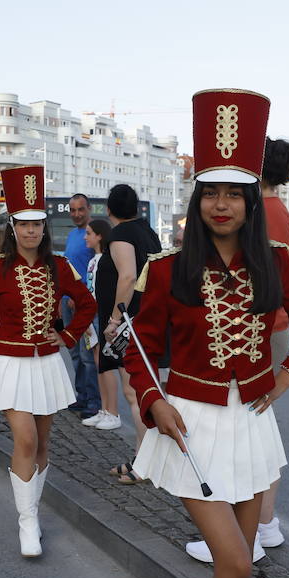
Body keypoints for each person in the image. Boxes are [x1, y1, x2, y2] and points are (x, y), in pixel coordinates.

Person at [123, 89, 289, 578]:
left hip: (251, 426)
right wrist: (152, 397)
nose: (221, 204)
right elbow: (136, 344)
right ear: (198, 198)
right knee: (237, 562)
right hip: (191, 424)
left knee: (237, 573)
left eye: (233, 194)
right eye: (210, 192)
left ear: (250, 202)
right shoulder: (163, 270)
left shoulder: (276, 262)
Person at [0, 165, 95, 557]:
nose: (31, 232)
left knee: (43, 442)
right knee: (25, 439)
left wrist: (67, 335)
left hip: (46, 364)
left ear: (44, 227)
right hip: (10, 363)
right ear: (13, 227)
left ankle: (33, 511)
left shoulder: (60, 266)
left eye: (37, 224)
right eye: (23, 225)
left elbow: (88, 304)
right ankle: (26, 522)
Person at [186, 136, 289, 564]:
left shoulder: (263, 213)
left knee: (244, 430)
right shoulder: (278, 209)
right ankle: (263, 525)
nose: (223, 202)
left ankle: (247, 534)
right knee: (255, 429)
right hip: (269, 326)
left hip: (256, 328)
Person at [98, 185, 163, 480]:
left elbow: (128, 277)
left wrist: (113, 320)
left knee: (136, 394)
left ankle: (146, 463)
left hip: (129, 323)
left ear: (109, 210)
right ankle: (142, 458)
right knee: (142, 391)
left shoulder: (121, 234)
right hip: (149, 317)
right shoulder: (148, 232)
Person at [79, 218, 120, 430]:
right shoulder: (93, 260)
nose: (85, 237)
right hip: (92, 315)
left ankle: (113, 412)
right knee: (98, 365)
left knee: (105, 364)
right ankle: (104, 410)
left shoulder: (106, 259)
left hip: (100, 315)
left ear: (99, 236)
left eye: (89, 233)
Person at [63, 193, 101, 419]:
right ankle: (82, 396)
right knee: (74, 352)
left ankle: (94, 402)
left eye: (81, 209)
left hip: (84, 303)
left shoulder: (92, 235)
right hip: (67, 301)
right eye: (73, 210)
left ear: (89, 209)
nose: (77, 214)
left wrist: (80, 297)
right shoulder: (72, 235)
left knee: (88, 355)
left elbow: (94, 270)